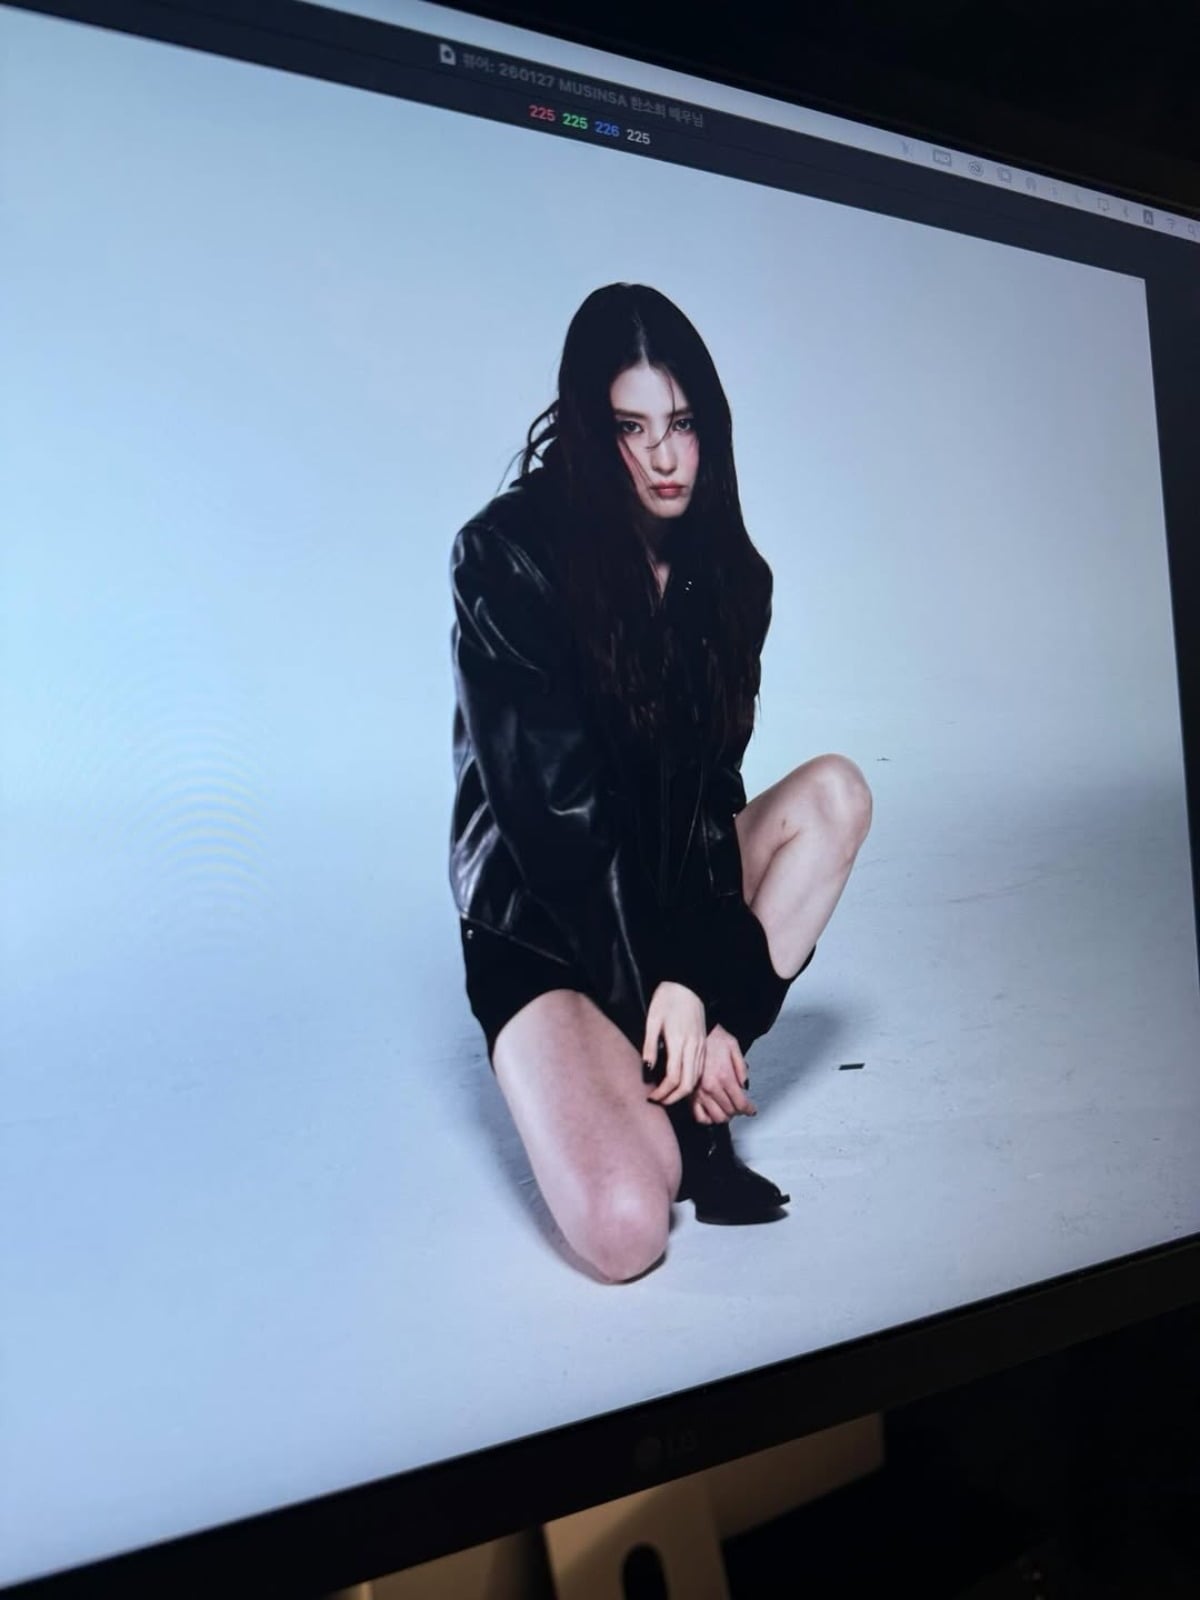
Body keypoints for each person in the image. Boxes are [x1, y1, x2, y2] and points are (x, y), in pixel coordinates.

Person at [450, 284, 872, 1283]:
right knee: (627, 1228)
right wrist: (668, 986)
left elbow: (709, 805)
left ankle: (697, 1075)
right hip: (544, 925)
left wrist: (701, 988)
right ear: (592, 432)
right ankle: (683, 1084)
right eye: (631, 428)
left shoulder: (730, 578)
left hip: (666, 897)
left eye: (682, 423)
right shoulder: (506, 557)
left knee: (836, 795)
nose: (666, 456)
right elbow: (560, 831)